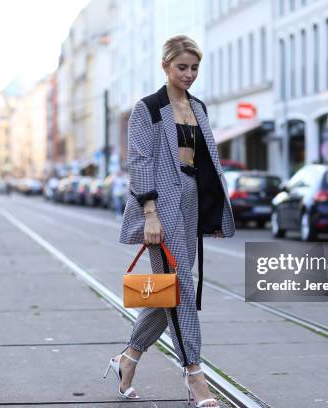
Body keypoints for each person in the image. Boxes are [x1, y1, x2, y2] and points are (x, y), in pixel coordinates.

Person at [106, 35, 235, 408]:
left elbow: (206, 160)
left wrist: (210, 206)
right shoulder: (147, 109)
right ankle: (195, 374)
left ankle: (127, 359)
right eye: (182, 67)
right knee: (179, 287)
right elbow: (140, 162)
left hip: (192, 197)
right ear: (165, 66)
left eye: (195, 68)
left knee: (167, 290)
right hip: (160, 201)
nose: (189, 74)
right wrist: (149, 213)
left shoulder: (199, 107)